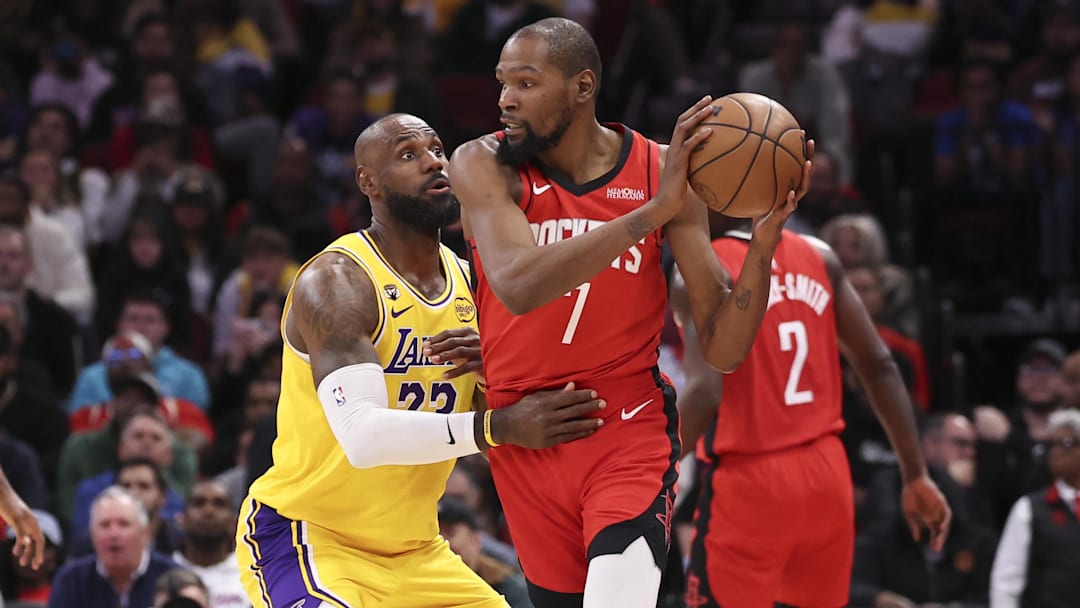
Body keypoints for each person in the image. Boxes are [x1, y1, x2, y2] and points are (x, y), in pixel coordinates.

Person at [448, 17, 809, 607]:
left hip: (625, 425)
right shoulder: (482, 163)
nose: (505, 99)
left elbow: (723, 348)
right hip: (526, 432)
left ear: (582, 87)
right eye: (502, 82)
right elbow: (516, 285)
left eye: (527, 83)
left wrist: (761, 247)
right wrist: (650, 214)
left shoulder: (662, 172)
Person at [236, 113, 607, 608]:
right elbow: (362, 437)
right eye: (409, 154)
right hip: (309, 537)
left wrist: (500, 369)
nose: (434, 162)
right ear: (368, 182)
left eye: (437, 149)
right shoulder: (336, 282)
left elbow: (519, 419)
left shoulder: (471, 283)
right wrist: (497, 424)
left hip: (414, 551)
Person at [673, 221, 951, 608]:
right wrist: (916, 473)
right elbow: (878, 363)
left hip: (751, 480)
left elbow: (704, 394)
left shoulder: (702, 267)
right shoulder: (819, 255)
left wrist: (647, 466)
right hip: (827, 474)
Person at [990, 408, 1080, 606]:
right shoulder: (1029, 509)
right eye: (1051, 445)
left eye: (1067, 443)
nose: (1056, 452)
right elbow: (1007, 580)